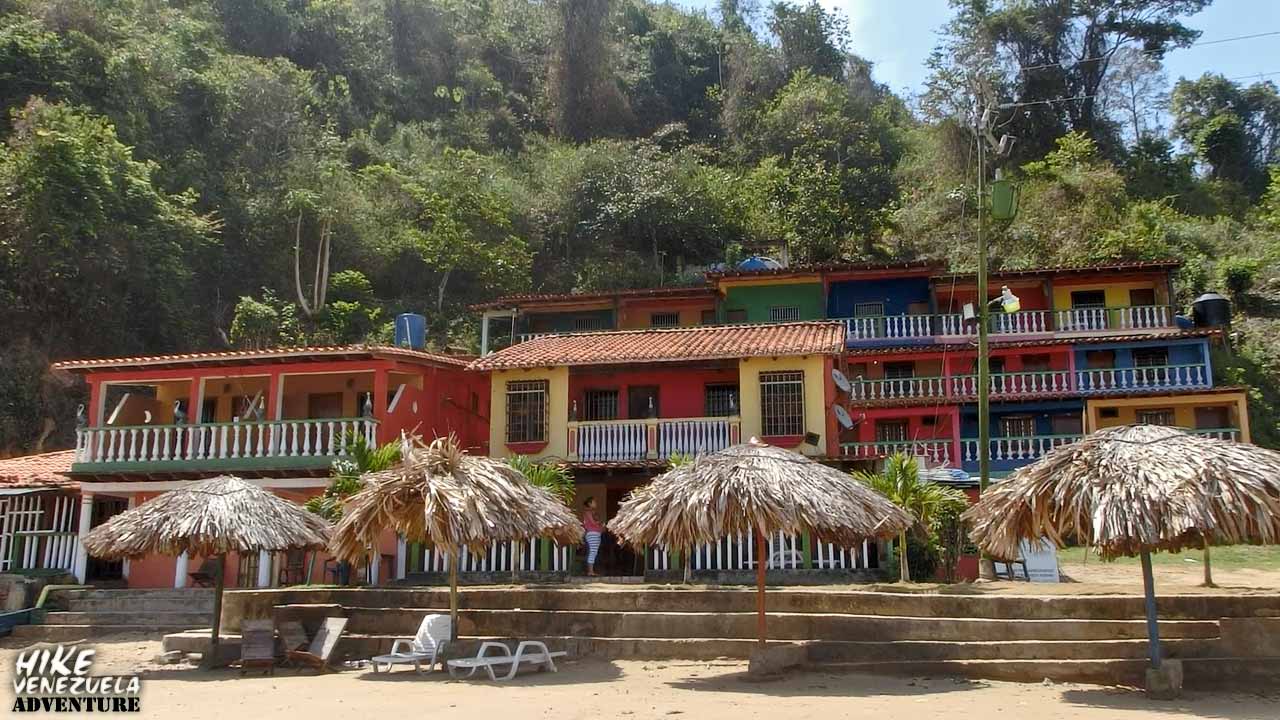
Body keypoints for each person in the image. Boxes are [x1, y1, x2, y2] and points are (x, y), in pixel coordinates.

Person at [582, 497, 603, 576]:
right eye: (594, 502)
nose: (596, 503)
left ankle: (591, 571)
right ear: (590, 503)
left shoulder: (591, 512)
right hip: (592, 533)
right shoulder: (588, 512)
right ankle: (590, 571)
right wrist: (600, 524)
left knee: (593, 552)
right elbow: (593, 522)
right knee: (593, 552)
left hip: (594, 533)